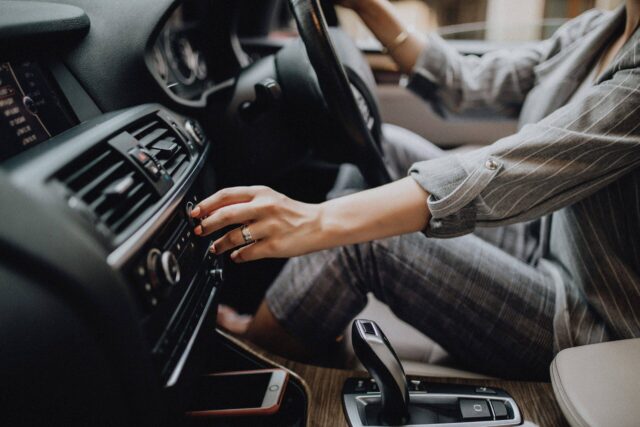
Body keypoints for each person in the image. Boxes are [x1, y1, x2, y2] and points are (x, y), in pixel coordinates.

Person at [191, 0, 640, 379]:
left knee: (364, 240)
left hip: (592, 323)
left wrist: (317, 221)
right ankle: (305, 308)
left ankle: (257, 353)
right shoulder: (600, 29)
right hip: (542, 240)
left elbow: (513, 169)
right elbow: (471, 82)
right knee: (387, 148)